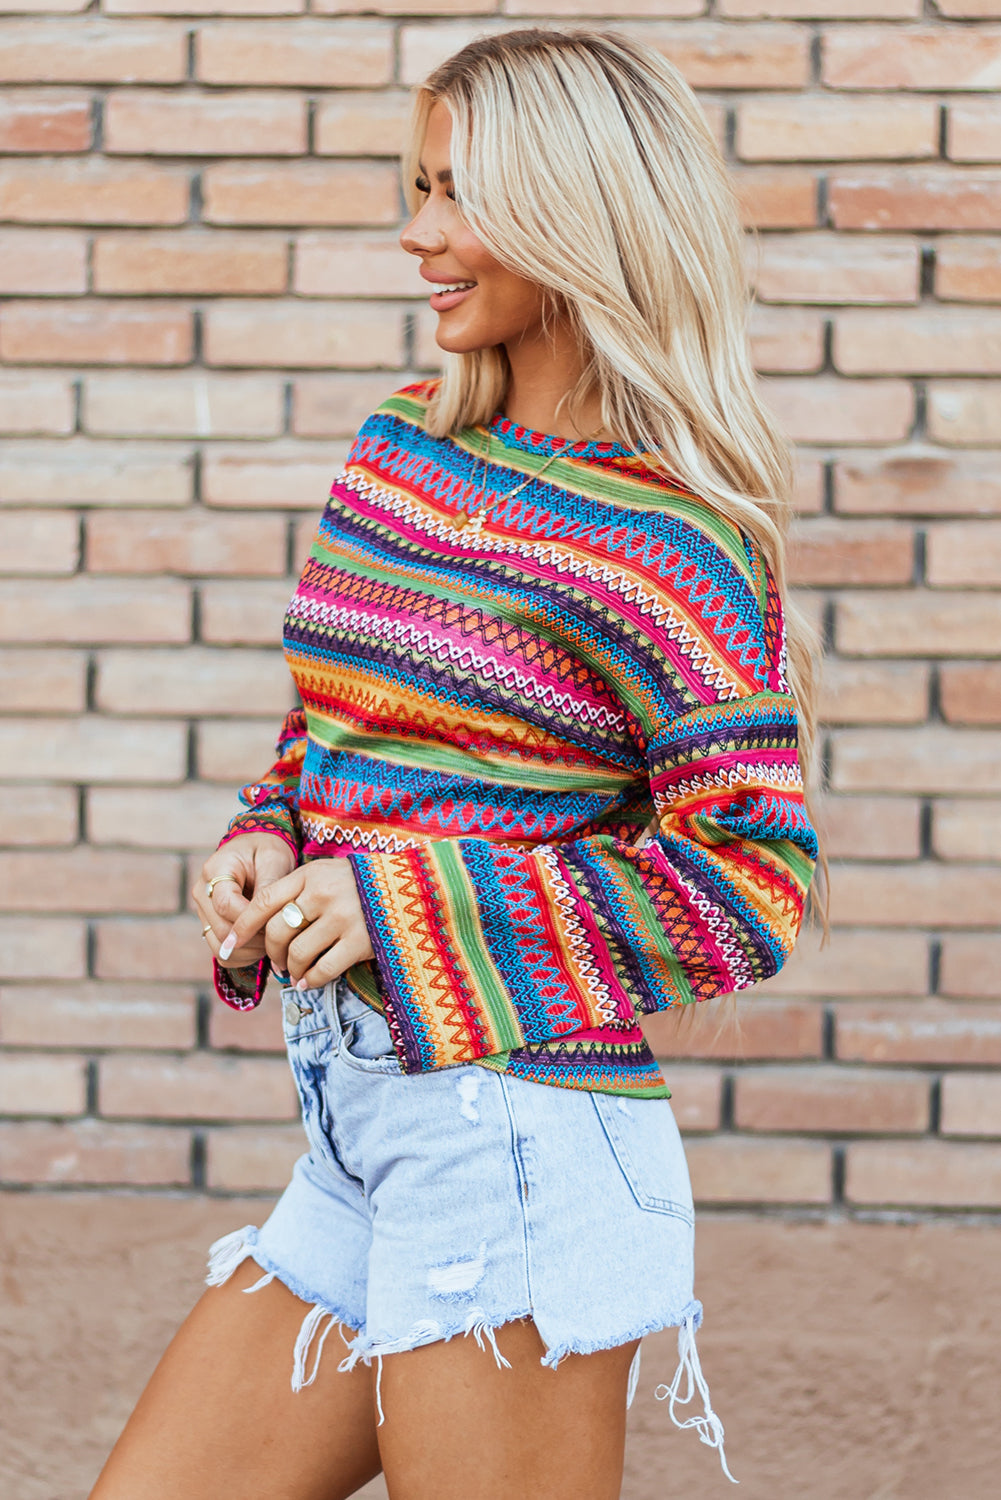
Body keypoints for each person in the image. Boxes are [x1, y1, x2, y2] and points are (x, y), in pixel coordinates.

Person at [89, 25, 824, 1500]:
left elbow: (749, 885)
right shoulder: (398, 450)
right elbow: (344, 727)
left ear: (575, 215)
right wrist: (272, 828)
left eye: (456, 195)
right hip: (361, 1134)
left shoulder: (665, 540)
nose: (416, 234)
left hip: (519, 1153)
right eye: (416, 186)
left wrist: (397, 906)